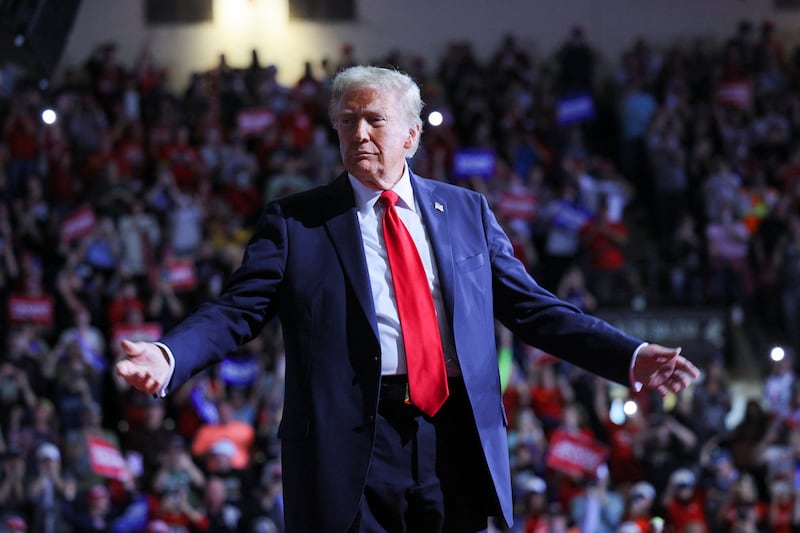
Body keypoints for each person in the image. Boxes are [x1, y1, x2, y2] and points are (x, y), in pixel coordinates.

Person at [116, 65, 700, 532]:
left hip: (455, 438)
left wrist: (627, 355)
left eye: (374, 120)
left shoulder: (466, 212)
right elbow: (236, 311)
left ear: (412, 135)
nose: (360, 134)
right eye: (347, 123)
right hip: (351, 446)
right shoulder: (297, 222)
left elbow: (534, 308)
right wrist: (170, 355)